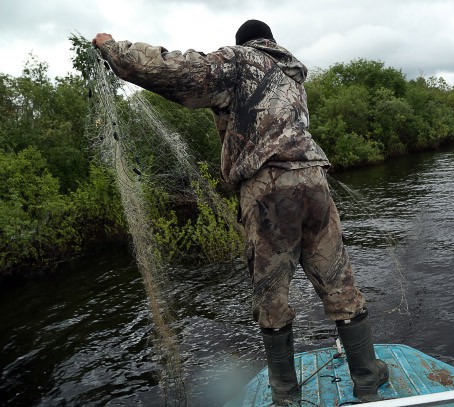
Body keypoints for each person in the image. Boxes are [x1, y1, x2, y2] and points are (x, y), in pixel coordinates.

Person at [93, 19, 388, 405]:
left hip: (268, 188)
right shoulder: (293, 75)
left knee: (271, 294)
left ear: (244, 44)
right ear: (272, 43)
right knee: (337, 281)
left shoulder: (239, 61)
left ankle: (285, 394)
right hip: (314, 180)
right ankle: (367, 379)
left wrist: (113, 48)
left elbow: (176, 70)